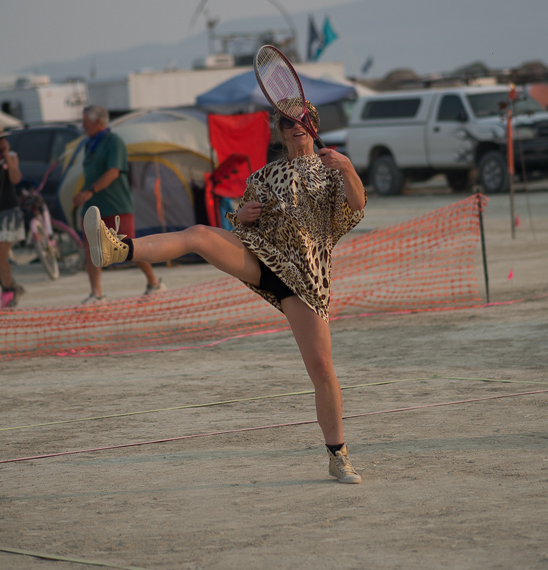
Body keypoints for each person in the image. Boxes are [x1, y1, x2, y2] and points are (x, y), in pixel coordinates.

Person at [84, 102, 367, 483]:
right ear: (279, 130)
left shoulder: (332, 170)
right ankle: (118, 249)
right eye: (288, 121)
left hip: (304, 277)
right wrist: (244, 215)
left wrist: (348, 167)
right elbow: (242, 222)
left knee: (322, 370)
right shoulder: (264, 176)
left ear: (313, 125)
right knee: (199, 235)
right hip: (263, 258)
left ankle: (338, 454)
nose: (297, 126)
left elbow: (356, 208)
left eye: (304, 120)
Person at [73, 105, 165, 303]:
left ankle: (154, 282)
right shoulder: (90, 144)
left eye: (86, 122)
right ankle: (96, 294)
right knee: (91, 248)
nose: (82, 125)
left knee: (127, 246)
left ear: (98, 122)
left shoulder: (114, 142)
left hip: (115, 205)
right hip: (93, 205)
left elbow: (113, 172)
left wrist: (89, 191)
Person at [0, 127, 26, 308]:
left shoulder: (11, 157)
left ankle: (10, 289)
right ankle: (11, 287)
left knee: (1, 255)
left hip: (9, 214)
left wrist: (7, 156)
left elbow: (16, 178)